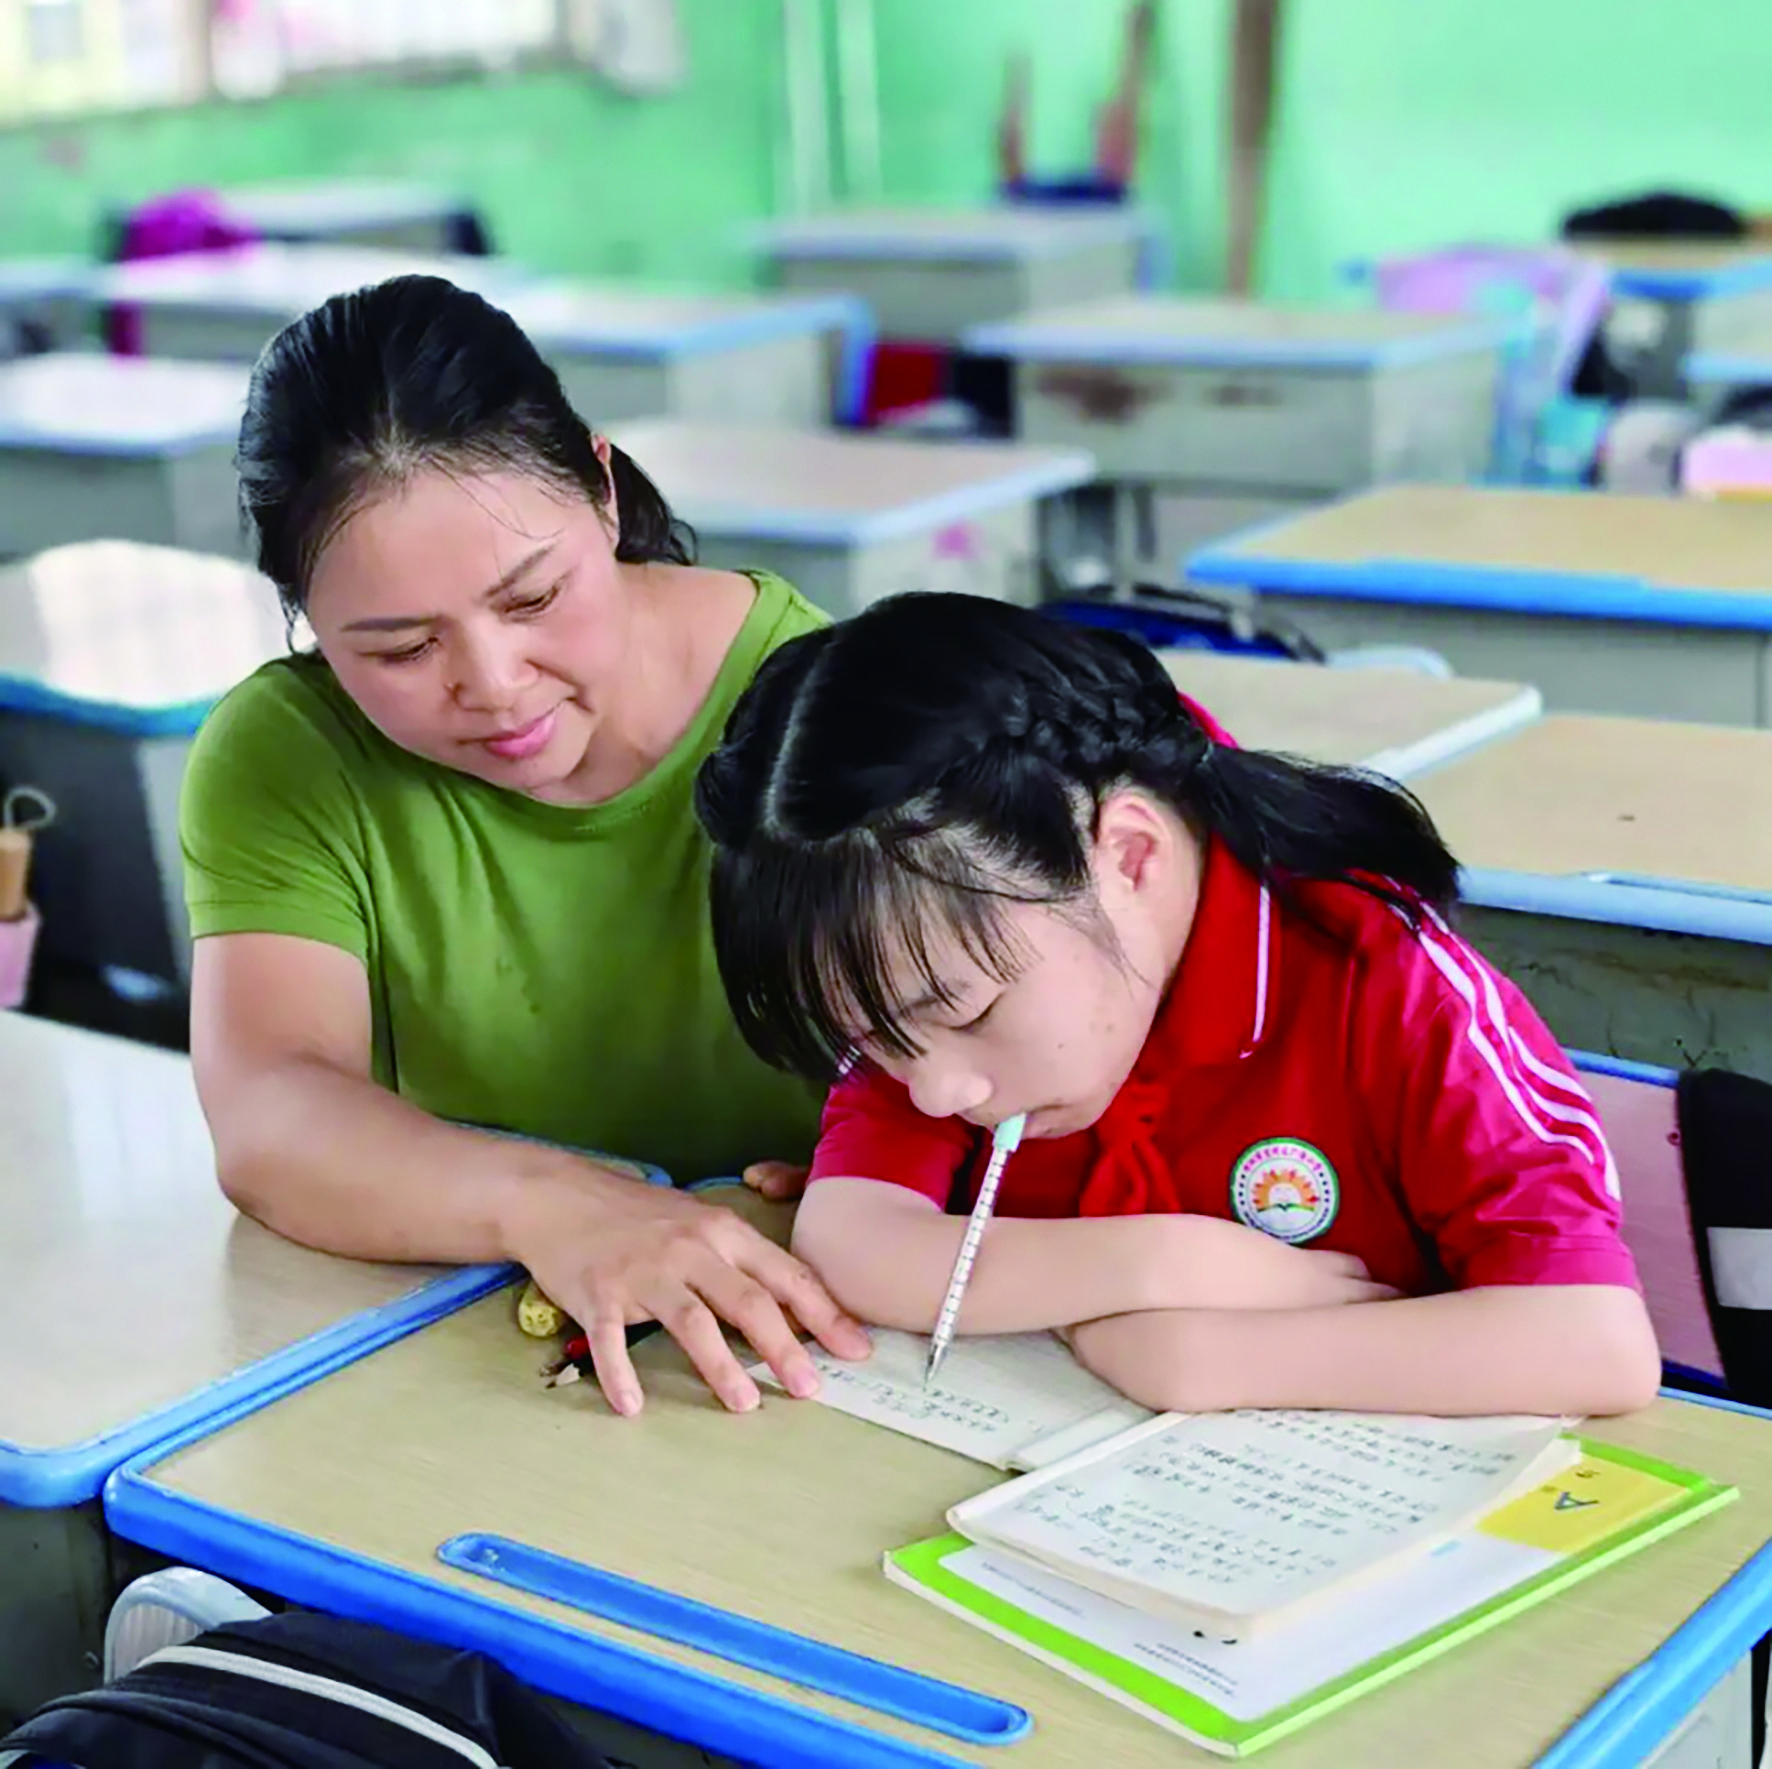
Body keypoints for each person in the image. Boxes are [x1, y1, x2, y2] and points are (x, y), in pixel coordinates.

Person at [694, 593, 1662, 1419]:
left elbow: (1595, 1341)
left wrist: (1204, 1361)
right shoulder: (920, 975)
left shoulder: (1385, 979)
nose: (935, 1091)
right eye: (873, 1038)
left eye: (972, 1012)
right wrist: (1160, 1263)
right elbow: (855, 1243)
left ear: (1128, 855)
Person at [180, 274, 868, 1418]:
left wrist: (889, 1172)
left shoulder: (831, 710)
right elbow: (269, 1109)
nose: (495, 687)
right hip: (478, 1344)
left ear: (602, 488)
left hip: (794, 1339)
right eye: (400, 649)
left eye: (534, 597)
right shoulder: (288, 753)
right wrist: (546, 1204)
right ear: (302, 612)